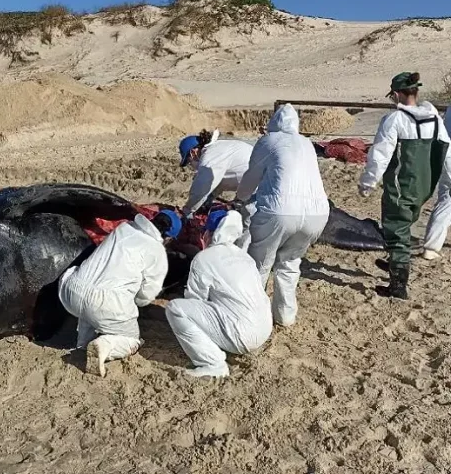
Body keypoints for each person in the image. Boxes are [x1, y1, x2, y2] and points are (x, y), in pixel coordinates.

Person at [234, 103, 330, 326]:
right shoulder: (306, 143)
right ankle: (285, 315)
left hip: (280, 211)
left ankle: (253, 316)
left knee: (260, 263)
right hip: (318, 214)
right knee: (289, 262)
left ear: (273, 124)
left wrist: (240, 198)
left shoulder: (269, 141)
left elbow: (251, 176)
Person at [58, 209, 182, 377]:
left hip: (71, 291)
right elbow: (145, 296)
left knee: (90, 303)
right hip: (104, 304)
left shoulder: (124, 228)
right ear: (168, 237)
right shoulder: (157, 252)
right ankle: (105, 346)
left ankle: (82, 345)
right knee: (131, 340)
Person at [358, 73, 450, 299]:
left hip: (401, 185)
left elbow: (380, 155)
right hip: (424, 187)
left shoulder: (395, 120)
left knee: (397, 229)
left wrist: (368, 182)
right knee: (405, 223)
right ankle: (395, 260)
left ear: (397, 94)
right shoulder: (434, 119)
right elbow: (446, 152)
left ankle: (398, 285)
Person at [165, 209, 272, 378]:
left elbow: (195, 299)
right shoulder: (244, 257)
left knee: (175, 308)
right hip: (264, 329)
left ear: (209, 234)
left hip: (242, 336)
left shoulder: (204, 258)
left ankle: (212, 363)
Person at [179, 129, 255, 248]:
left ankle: (242, 260)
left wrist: (188, 210)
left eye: (189, 162)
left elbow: (202, 187)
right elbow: (219, 183)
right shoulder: (219, 149)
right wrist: (209, 199)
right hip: (252, 188)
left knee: (249, 228)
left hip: (260, 190)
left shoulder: (210, 156)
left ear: (193, 152)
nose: (191, 166)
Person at [421, 106, 451, 260]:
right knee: (448, 201)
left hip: (445, 152)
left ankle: (432, 245)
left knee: (446, 197)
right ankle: (432, 246)